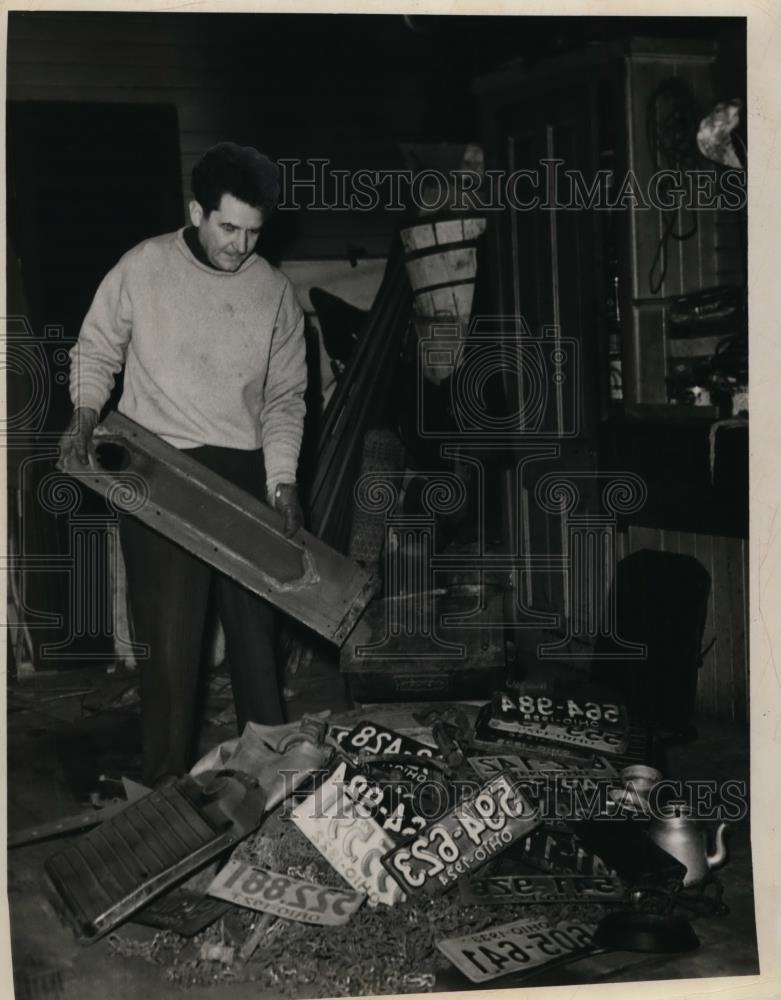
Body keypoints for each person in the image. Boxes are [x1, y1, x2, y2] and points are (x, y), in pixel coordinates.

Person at [58, 142, 307, 787]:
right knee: (170, 649)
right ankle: (164, 787)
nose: (239, 246)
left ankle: (269, 786)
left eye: (253, 233)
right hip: (157, 466)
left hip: (242, 473)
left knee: (256, 647)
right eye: (228, 227)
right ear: (197, 210)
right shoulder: (143, 268)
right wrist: (86, 413)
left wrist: (281, 481)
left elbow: (285, 399)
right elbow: (96, 347)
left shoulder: (275, 294)